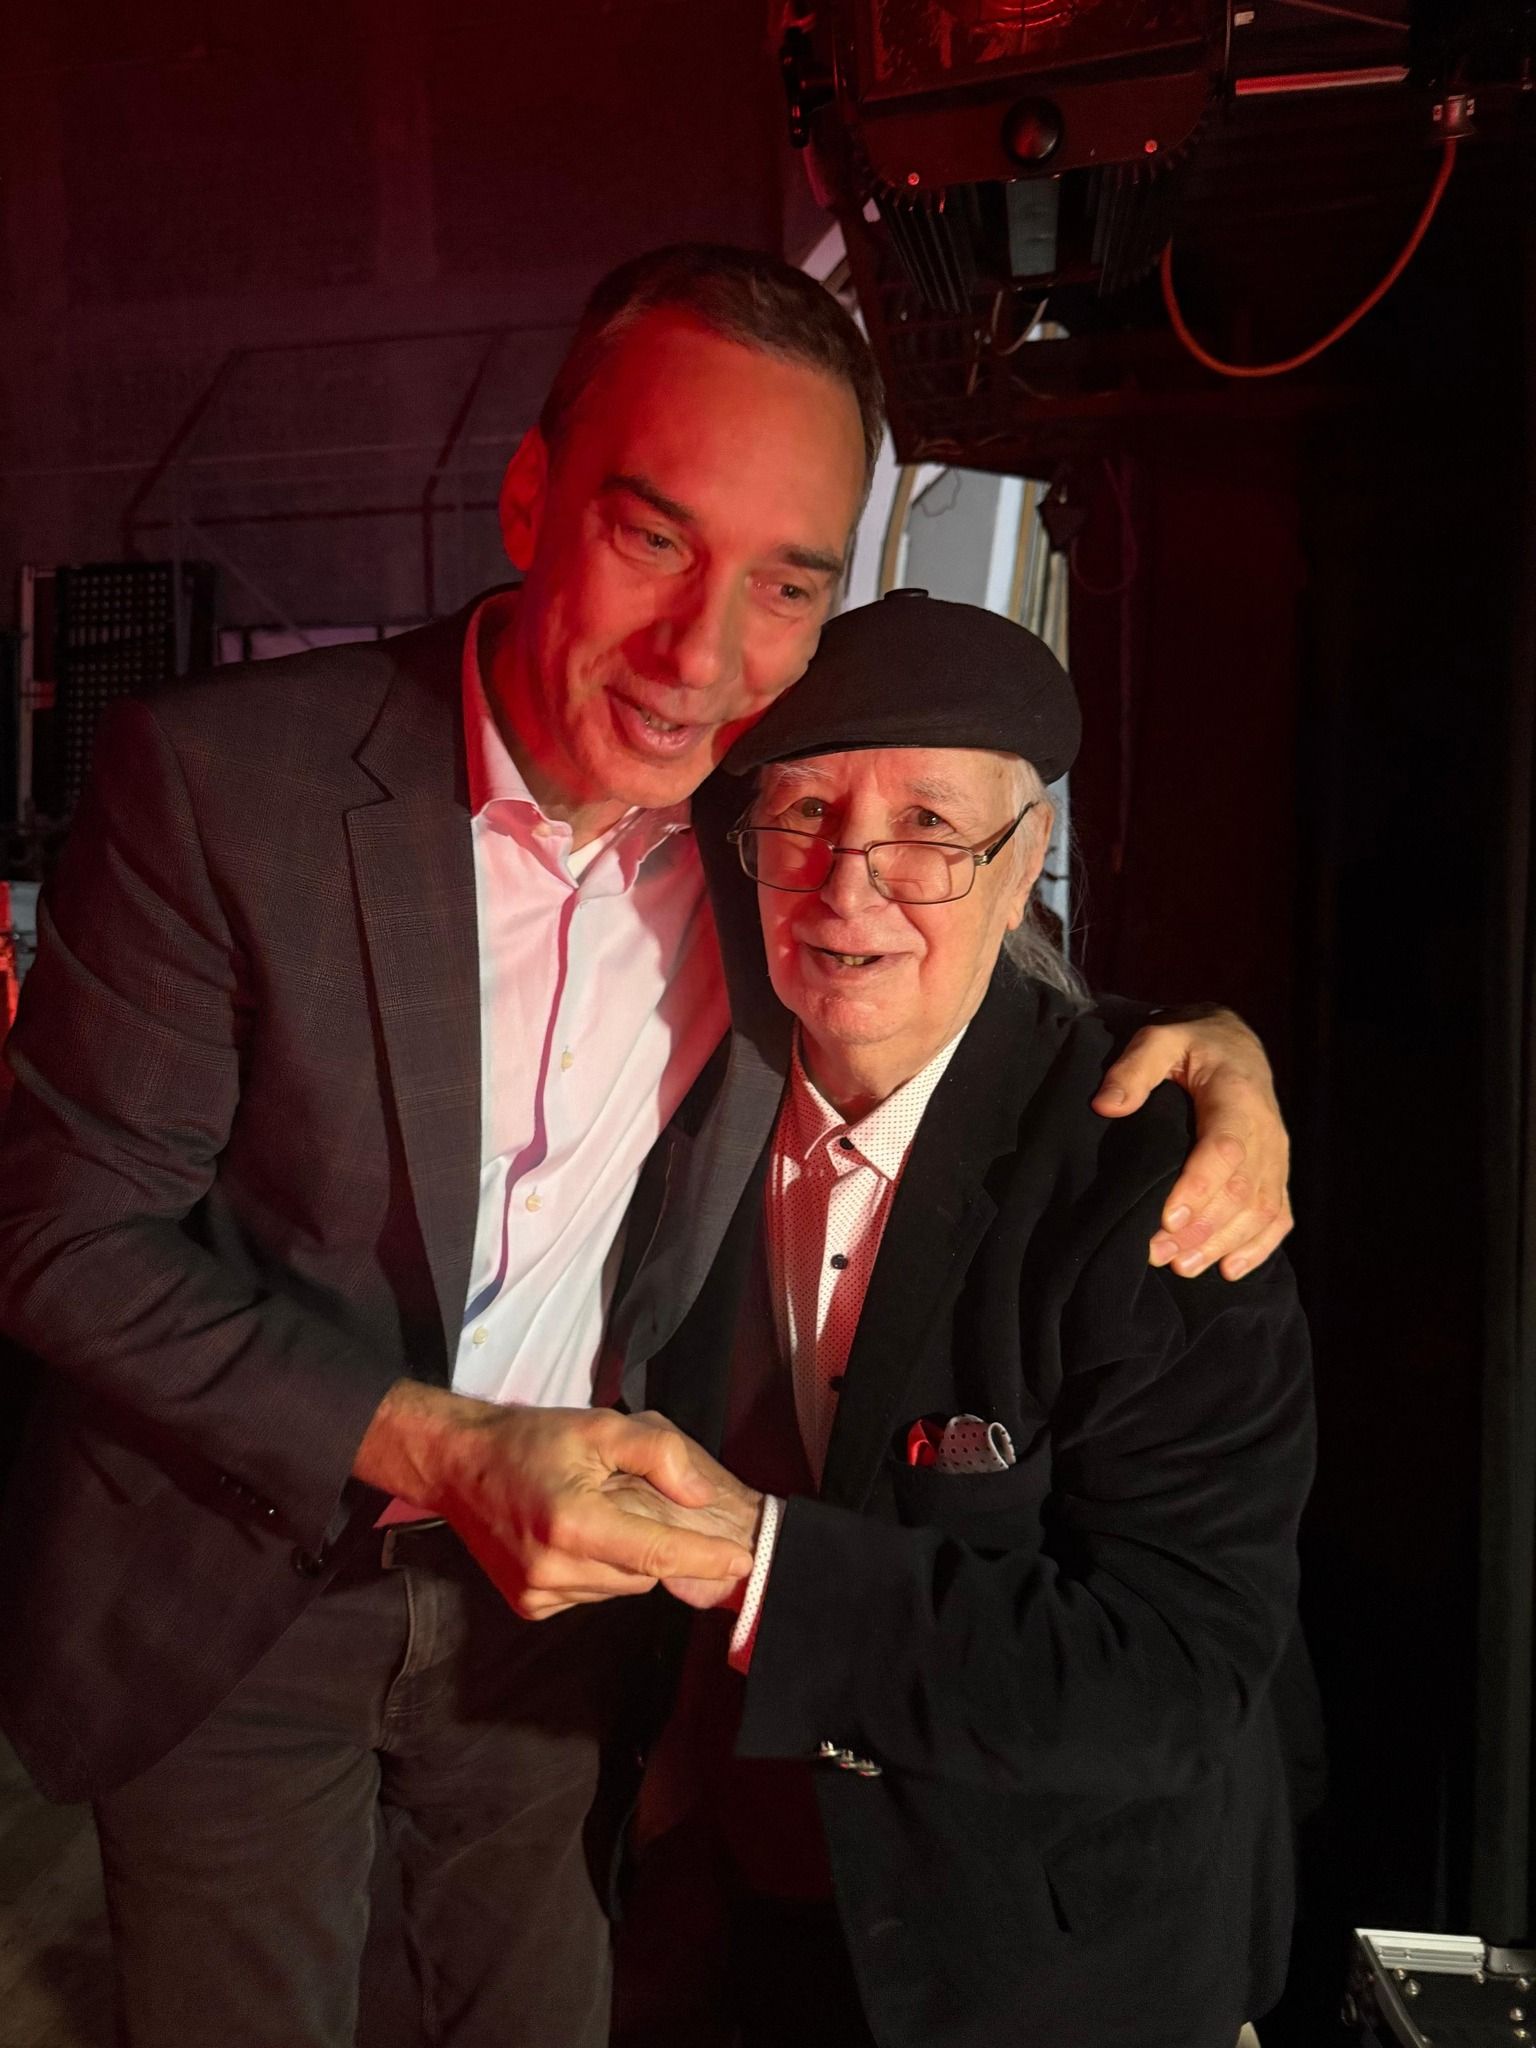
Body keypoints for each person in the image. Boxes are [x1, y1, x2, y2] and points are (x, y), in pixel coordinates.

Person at [0, 245, 1291, 2048]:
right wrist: (444, 1446)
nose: (703, 654)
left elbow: (951, 923)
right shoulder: (230, 785)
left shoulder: (753, 819)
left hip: (569, 1625)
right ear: (530, 499)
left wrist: (1218, 1050)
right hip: (242, 1579)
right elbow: (63, 1238)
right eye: (652, 537)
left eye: (788, 584)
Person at [611, 591, 1314, 2048]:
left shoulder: (1152, 1179)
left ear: (1024, 859)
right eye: (806, 815)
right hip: (746, 1917)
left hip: (1057, 1965)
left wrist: (757, 1564)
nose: (848, 889)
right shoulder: (678, 1105)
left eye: (929, 829)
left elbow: (1172, 1674)